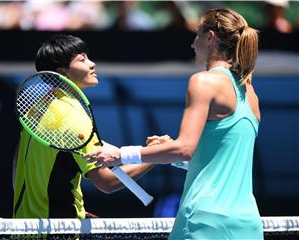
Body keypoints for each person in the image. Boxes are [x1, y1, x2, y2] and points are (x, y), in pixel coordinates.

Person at [85, 8, 263, 239]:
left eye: (197, 35)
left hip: (204, 222)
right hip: (248, 224)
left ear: (210, 38)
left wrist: (121, 155)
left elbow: (185, 149)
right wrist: (163, 152)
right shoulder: (251, 95)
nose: (192, 44)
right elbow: (216, 159)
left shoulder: (203, 82)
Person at [12, 34, 154, 219]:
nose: (92, 63)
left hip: (25, 227)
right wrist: (154, 157)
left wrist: (145, 151)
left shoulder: (37, 111)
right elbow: (107, 182)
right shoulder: (74, 117)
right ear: (63, 73)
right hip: (59, 230)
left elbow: (17, 165)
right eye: (82, 59)